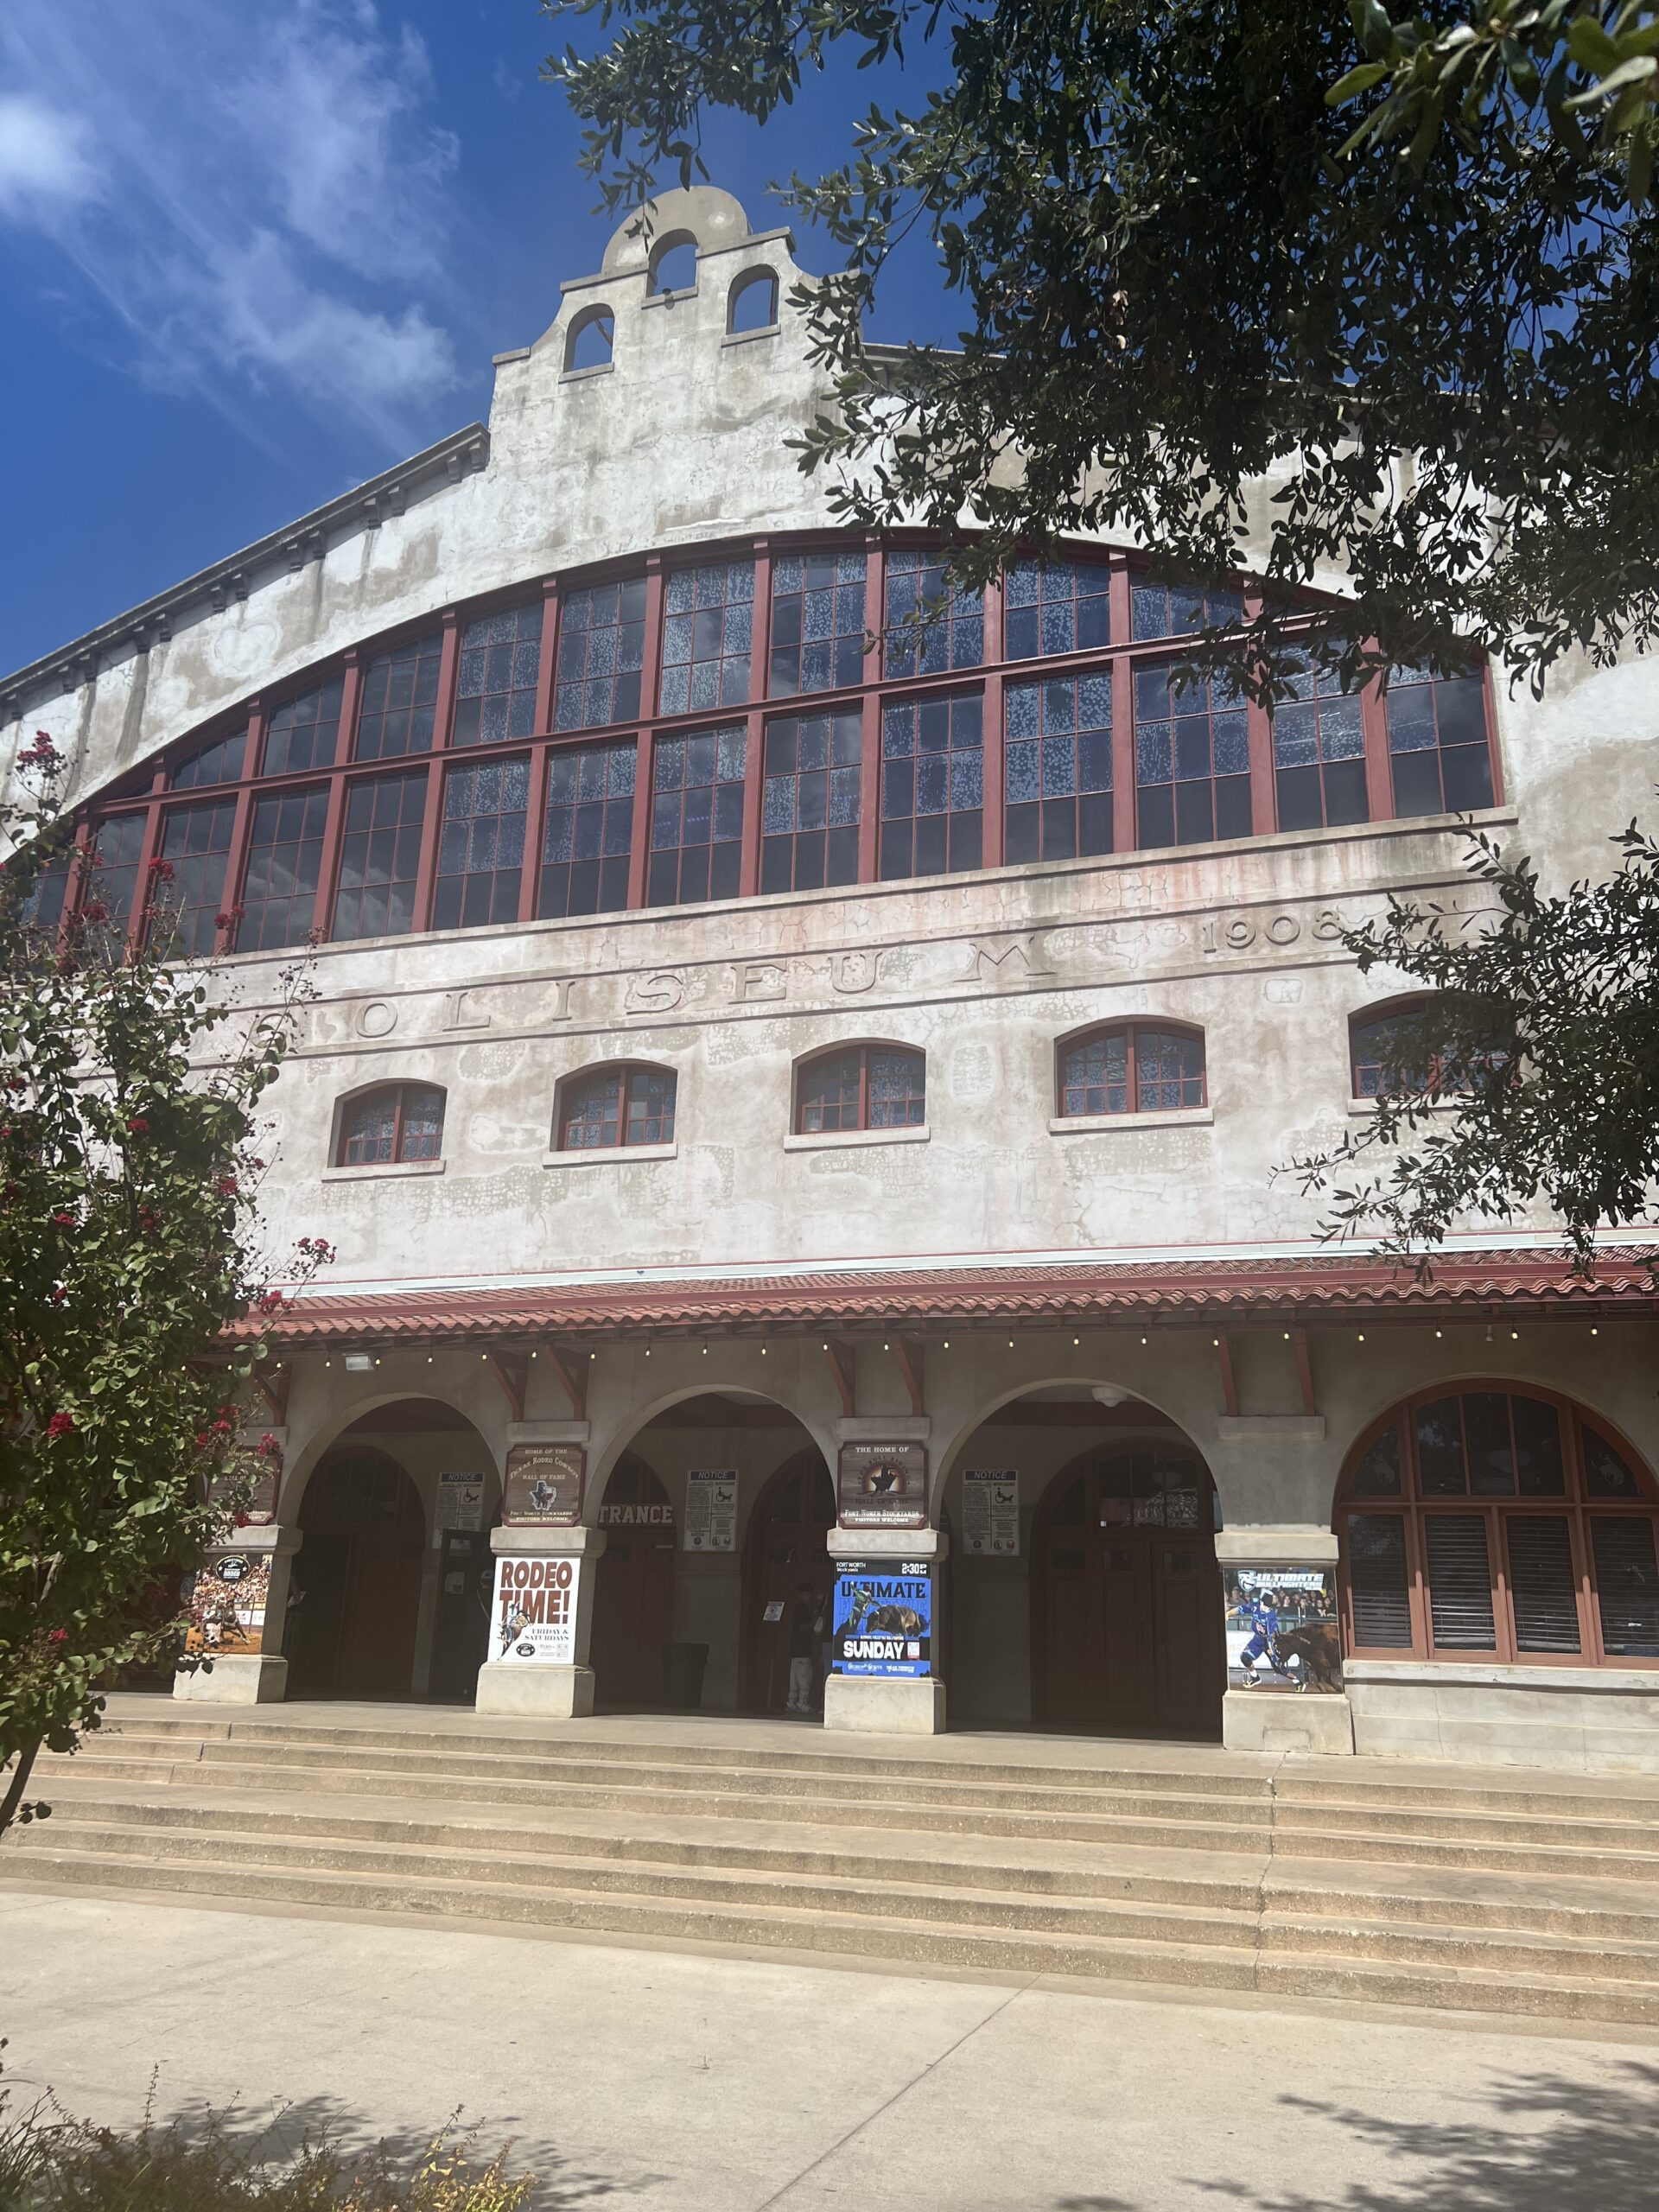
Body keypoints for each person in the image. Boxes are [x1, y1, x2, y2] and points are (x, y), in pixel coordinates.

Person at [1236, 1588, 1288, 1687]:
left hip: (1269, 1641)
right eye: (1264, 1605)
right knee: (1244, 1657)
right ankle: (1255, 1678)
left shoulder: (1271, 1615)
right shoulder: (1254, 1607)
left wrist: (1271, 1648)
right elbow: (1240, 1609)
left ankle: (1297, 1681)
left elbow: (1272, 1634)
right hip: (1258, 1640)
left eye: (1267, 1606)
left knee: (1278, 1666)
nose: (1265, 1607)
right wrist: (1227, 1614)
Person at [786, 1581, 820, 1715]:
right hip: (802, 1651)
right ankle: (803, 1704)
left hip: (795, 1651)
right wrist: (814, 1620)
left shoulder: (797, 1608)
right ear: (802, 1595)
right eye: (806, 1594)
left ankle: (791, 1703)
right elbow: (802, 1627)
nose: (808, 1596)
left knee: (794, 1681)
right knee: (804, 1680)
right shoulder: (802, 1609)